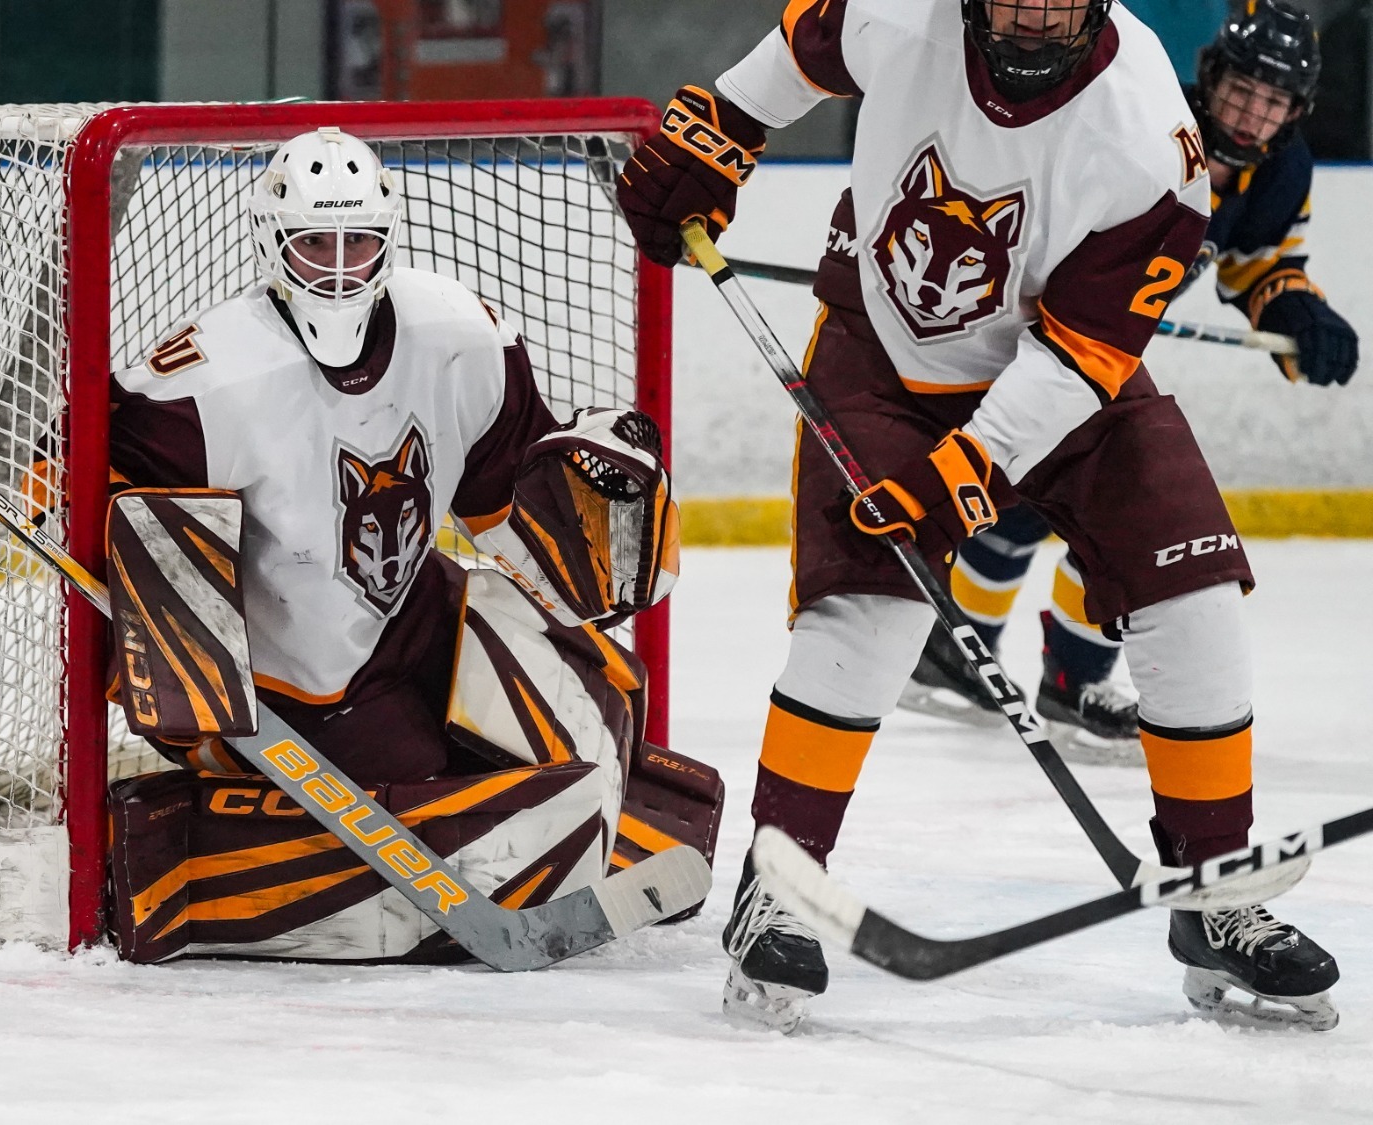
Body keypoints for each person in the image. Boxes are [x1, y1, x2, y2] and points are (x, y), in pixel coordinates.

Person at [617, 0, 1338, 1031]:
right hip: (886, 361)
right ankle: (778, 881)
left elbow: (1081, 354)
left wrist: (963, 470)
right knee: (861, 617)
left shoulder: (1149, 136)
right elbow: (795, 50)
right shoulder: (890, 12)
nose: (1033, 13)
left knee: (1194, 597)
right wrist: (725, 122)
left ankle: (1217, 892)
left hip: (1066, 374)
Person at [99, 128, 716, 964]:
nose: (341, 266)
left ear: (391, 238)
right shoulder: (210, 381)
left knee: (602, 694)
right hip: (296, 679)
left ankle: (588, 822)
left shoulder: (457, 333)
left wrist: (590, 514)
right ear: (274, 245)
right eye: (317, 242)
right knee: (431, 779)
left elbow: (506, 497)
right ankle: (200, 857)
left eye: (361, 242)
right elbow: (112, 517)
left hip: (417, 614)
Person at [900, 0, 1358, 765]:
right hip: (1025, 330)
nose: (1251, 115)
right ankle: (1023, 663)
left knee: (1068, 501)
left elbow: (1258, 266)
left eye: (1273, 102)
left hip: (1097, 350)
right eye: (1241, 90)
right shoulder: (1141, 114)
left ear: (1296, 112)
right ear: (1208, 78)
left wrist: (1299, 312)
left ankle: (972, 648)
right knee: (1095, 496)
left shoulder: (1284, 172)